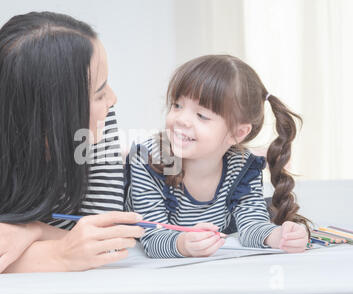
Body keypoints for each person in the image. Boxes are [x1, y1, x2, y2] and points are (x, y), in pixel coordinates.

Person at [0, 11, 145, 276]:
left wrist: (28, 230)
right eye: (99, 93)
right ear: (50, 112)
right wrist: (55, 255)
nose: (113, 99)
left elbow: (106, 242)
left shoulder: (97, 128)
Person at [124, 54, 312, 258]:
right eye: (177, 105)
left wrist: (279, 236)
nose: (181, 119)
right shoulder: (148, 160)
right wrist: (183, 244)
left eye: (201, 115)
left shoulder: (243, 168)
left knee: (265, 213)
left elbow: (252, 225)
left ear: (237, 133)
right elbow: (152, 237)